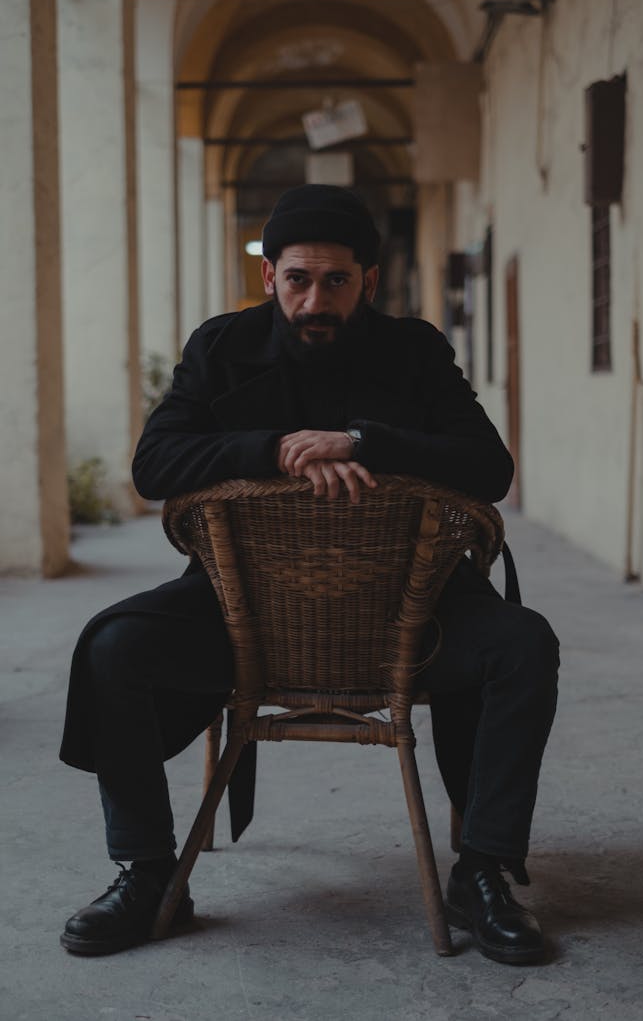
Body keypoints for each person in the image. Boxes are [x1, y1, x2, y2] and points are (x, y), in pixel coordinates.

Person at [59, 184, 559, 965]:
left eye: (336, 280)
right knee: (112, 646)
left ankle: (485, 870)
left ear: (369, 279)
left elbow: (489, 467)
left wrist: (363, 439)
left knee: (523, 644)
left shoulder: (416, 350)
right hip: (240, 611)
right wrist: (273, 447)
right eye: (298, 279)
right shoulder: (220, 346)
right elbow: (154, 463)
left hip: (417, 608)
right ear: (270, 277)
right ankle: (150, 872)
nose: (315, 298)